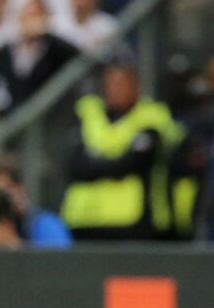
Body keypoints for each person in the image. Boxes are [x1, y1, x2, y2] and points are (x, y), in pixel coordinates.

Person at [60, 62, 190, 240]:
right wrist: (118, 157)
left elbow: (136, 162)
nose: (115, 90)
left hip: (134, 220)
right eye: (110, 85)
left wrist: (96, 158)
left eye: (122, 84)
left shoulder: (151, 115)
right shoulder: (87, 112)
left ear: (135, 86)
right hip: (84, 219)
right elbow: (75, 166)